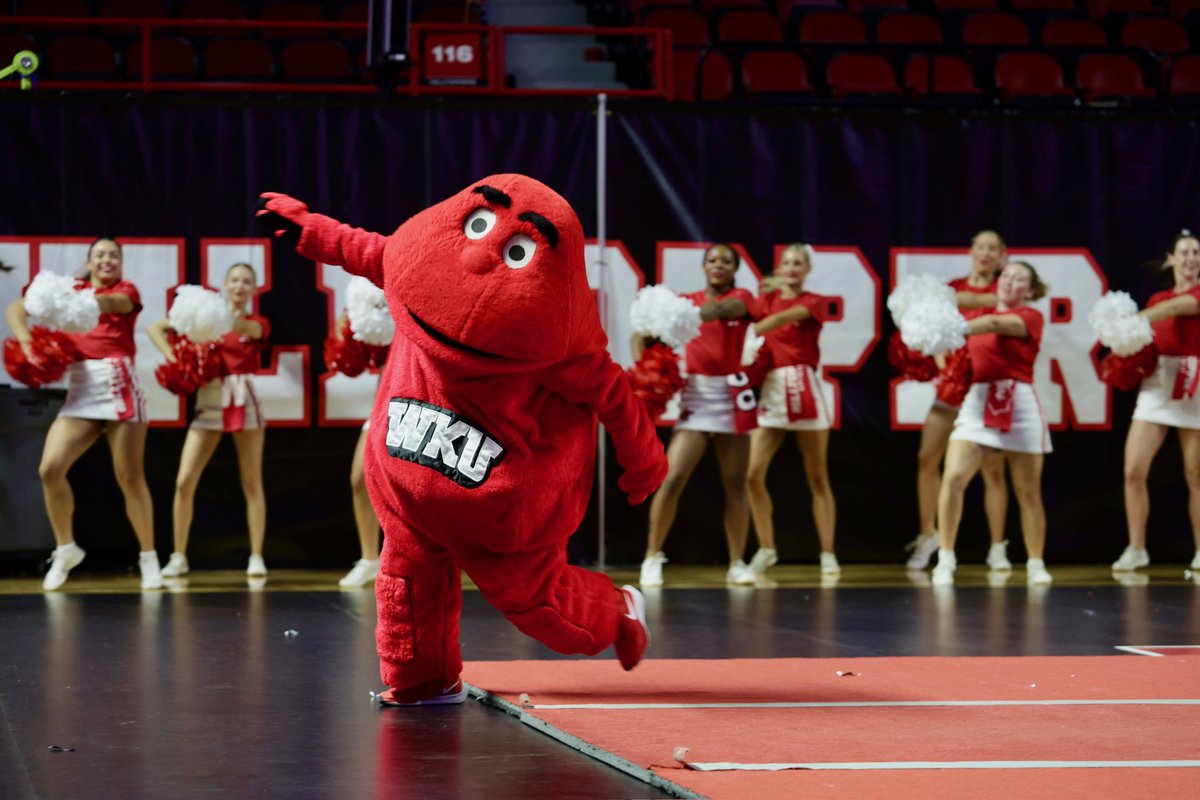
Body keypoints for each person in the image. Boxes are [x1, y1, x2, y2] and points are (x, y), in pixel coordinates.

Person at [4, 237, 161, 591]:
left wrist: (69, 299)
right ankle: (66, 549)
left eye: (114, 256)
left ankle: (148, 557)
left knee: (129, 476)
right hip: (80, 385)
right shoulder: (69, 289)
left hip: (118, 380)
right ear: (89, 261)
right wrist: (27, 342)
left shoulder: (126, 290)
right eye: (100, 255)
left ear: (120, 264)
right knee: (50, 468)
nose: (107, 260)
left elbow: (114, 303)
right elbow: (16, 309)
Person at [637, 243, 762, 587]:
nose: (718, 265)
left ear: (735, 268)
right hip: (696, 394)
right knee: (673, 476)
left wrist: (682, 313)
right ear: (704, 267)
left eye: (726, 260)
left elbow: (725, 308)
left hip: (732, 395)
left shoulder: (742, 297)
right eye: (712, 260)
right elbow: (641, 336)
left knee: (736, 482)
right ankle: (652, 557)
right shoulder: (685, 300)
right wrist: (647, 368)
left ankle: (737, 563)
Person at [932, 261, 1052, 586]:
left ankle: (1035, 563)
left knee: (1028, 491)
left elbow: (997, 323)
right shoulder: (972, 321)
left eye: (1020, 279)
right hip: (978, 403)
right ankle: (945, 558)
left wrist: (955, 325)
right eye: (1007, 276)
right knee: (954, 478)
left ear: (1029, 290)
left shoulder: (1030, 317)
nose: (1010, 282)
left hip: (1020, 404)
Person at [147, 263, 270, 579]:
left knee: (251, 481)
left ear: (254, 288)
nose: (240, 286)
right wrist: (175, 357)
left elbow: (252, 331)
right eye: (234, 280)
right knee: (184, 480)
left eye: (246, 281)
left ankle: (256, 556)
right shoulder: (204, 318)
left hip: (244, 400)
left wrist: (207, 316)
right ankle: (178, 556)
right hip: (209, 401)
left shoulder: (254, 322)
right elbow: (154, 329)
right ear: (225, 284)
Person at [907, 230, 1012, 573]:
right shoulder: (952, 286)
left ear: (1002, 255)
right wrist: (947, 369)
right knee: (927, 458)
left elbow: (991, 314)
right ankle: (928, 535)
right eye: (980, 246)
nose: (985, 253)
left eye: (992, 248)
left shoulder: (1004, 291)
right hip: (952, 384)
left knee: (992, 469)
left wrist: (952, 300)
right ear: (970, 251)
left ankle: (997, 546)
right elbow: (934, 331)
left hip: (984, 387)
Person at [744, 243, 839, 578]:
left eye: (798, 263)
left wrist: (755, 326)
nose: (792, 268)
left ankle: (828, 553)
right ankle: (766, 548)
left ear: (807, 269)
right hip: (772, 387)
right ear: (779, 267)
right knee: (752, 473)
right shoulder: (764, 301)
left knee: (817, 475)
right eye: (787, 263)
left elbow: (785, 317)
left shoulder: (811, 301)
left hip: (804, 385)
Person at [1113, 231, 1200, 573]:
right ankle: (1136, 548)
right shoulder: (1156, 298)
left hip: (1194, 383)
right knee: (1133, 470)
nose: (1192, 258)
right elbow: (1146, 340)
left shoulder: (1181, 298)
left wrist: (1132, 320)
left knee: (1196, 473)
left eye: (1196, 253)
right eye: (1185, 253)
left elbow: (1181, 307)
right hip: (1158, 385)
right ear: (1172, 259)